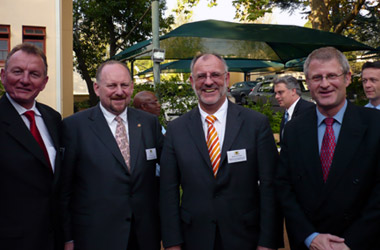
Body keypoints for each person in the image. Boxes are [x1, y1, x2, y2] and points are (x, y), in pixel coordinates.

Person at [160, 53, 283, 250]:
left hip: (245, 237)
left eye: (215, 75)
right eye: (201, 76)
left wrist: (268, 242)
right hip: (194, 238)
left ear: (226, 78)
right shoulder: (176, 130)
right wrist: (173, 243)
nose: (208, 82)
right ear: (192, 81)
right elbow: (168, 192)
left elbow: (271, 187)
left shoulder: (256, 124)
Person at [276, 47, 380, 250]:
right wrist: (310, 236)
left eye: (332, 75)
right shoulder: (294, 129)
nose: (324, 84)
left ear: (347, 78)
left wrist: (349, 243)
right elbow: (283, 187)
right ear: (307, 83)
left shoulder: (375, 125)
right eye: (317, 77)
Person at [60, 60, 164, 250]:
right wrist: (68, 238)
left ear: (132, 87)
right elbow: (64, 188)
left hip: (144, 237)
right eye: (111, 85)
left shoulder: (149, 124)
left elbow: (167, 175)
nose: (119, 91)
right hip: (96, 237)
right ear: (97, 88)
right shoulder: (75, 127)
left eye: (124, 85)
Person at [0, 43, 62, 249]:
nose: (25, 80)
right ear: (3, 75)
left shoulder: (53, 118)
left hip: (54, 239)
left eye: (34, 74)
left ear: (44, 82)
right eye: (17, 71)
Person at [273, 75, 314, 143]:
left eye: (280, 92)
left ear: (293, 91)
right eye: (276, 93)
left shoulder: (308, 110)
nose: (276, 96)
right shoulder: (287, 113)